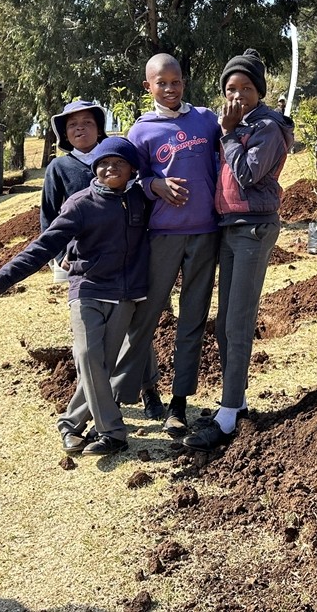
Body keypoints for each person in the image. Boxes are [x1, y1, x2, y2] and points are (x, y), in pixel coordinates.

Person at [0, 137, 152, 457]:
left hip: (125, 296)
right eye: (103, 163)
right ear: (94, 169)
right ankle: (113, 432)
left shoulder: (141, 199)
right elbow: (43, 247)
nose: (110, 168)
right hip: (87, 291)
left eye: (119, 163)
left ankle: (70, 424)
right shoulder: (81, 203)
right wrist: (0, 280)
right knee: (87, 355)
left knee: (100, 367)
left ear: (133, 170)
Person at [183, 49, 294, 451]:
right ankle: (236, 404)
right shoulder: (236, 123)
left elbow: (247, 173)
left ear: (259, 91)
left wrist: (228, 133)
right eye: (231, 88)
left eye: (246, 88)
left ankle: (228, 417)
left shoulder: (266, 126)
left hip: (253, 227)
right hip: (230, 226)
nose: (238, 95)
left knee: (238, 322)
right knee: (225, 320)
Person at [115, 53, 221, 437]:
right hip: (161, 236)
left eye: (176, 81)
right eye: (162, 83)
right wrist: (152, 184)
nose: (171, 89)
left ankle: (179, 403)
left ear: (184, 82)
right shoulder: (140, 132)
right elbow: (129, 179)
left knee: (192, 319)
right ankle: (141, 391)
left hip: (205, 234)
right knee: (147, 317)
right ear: (149, 87)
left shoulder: (206, 120)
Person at [40, 100, 108, 281]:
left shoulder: (114, 163)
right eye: (73, 125)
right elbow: (49, 213)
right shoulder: (58, 167)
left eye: (87, 122)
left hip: (114, 246)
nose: (80, 128)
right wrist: (60, 254)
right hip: (77, 251)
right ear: (65, 134)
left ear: (99, 130)